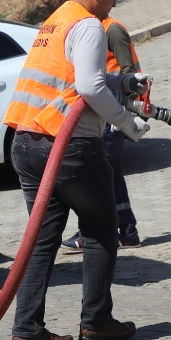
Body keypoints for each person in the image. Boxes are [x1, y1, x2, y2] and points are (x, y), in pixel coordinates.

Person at [3, 0, 151, 340]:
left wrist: (122, 80)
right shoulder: (88, 24)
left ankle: (27, 328)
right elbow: (88, 86)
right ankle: (97, 322)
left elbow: (74, 78)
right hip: (68, 147)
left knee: (42, 239)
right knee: (101, 230)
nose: (115, 4)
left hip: (27, 143)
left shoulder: (56, 20)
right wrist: (127, 123)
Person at [63, 16, 144, 252]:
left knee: (95, 176)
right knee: (111, 175)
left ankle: (90, 232)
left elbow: (129, 72)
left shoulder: (112, 30)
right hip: (105, 110)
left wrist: (124, 114)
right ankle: (128, 231)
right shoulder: (94, 29)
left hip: (112, 112)